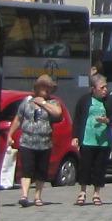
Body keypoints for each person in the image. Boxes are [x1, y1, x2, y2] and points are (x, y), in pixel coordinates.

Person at [14, 74, 65, 207]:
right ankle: (24, 195)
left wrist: (42, 103)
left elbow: (58, 113)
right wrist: (10, 134)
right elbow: (18, 118)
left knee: (41, 171)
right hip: (27, 141)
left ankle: (37, 196)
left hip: (44, 143)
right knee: (26, 169)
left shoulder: (53, 102)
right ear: (38, 87)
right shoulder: (26, 101)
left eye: (49, 87)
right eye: (44, 87)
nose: (47, 90)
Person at [75, 72, 112, 206]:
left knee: (99, 168)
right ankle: (82, 192)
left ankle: (96, 193)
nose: (105, 90)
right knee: (85, 166)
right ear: (93, 89)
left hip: (103, 140)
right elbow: (77, 119)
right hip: (87, 138)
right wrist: (75, 136)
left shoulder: (110, 101)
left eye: (106, 87)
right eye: (102, 87)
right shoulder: (84, 100)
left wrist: (107, 120)